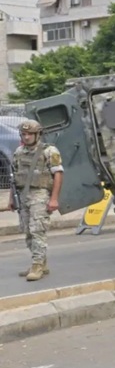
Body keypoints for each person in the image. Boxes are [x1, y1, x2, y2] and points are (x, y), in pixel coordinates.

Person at [8, 119, 63, 281]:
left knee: (37, 230)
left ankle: (37, 265)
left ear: (38, 134)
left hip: (40, 194)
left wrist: (54, 199)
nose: (26, 137)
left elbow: (58, 174)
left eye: (30, 134)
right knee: (27, 232)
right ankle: (40, 263)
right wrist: (11, 199)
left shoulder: (49, 151)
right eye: (24, 134)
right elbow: (14, 177)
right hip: (23, 196)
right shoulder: (19, 152)